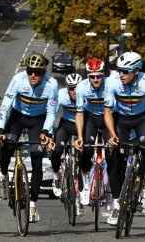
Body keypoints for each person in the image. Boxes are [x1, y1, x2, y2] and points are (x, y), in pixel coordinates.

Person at [0, 52, 58, 222]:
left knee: (37, 158)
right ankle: (4, 176)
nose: (32, 75)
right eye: (30, 71)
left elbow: (52, 114)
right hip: (17, 116)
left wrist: (46, 132)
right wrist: (0, 129)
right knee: (6, 146)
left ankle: (33, 206)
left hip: (38, 119)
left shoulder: (52, 85)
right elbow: (4, 107)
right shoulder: (18, 79)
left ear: (43, 72)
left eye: (37, 72)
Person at [104, 51, 145, 225]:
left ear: (136, 71)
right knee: (115, 160)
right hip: (120, 119)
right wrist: (113, 135)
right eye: (119, 70)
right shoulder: (112, 81)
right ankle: (116, 205)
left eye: (125, 71)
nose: (121, 74)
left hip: (142, 118)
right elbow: (107, 112)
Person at [73, 58, 113, 210]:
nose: (95, 79)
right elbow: (79, 114)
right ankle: (84, 187)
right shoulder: (81, 87)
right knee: (87, 149)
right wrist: (80, 137)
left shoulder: (111, 84)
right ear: (87, 76)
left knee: (111, 155)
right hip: (91, 118)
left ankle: (109, 190)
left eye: (98, 76)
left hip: (109, 118)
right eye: (92, 76)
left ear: (103, 74)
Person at [47, 73, 85, 216]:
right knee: (56, 150)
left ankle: (81, 196)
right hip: (66, 124)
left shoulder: (86, 95)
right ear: (67, 88)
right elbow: (51, 115)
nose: (75, 91)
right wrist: (49, 136)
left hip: (82, 125)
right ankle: (57, 176)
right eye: (71, 88)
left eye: (77, 88)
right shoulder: (61, 95)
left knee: (83, 160)